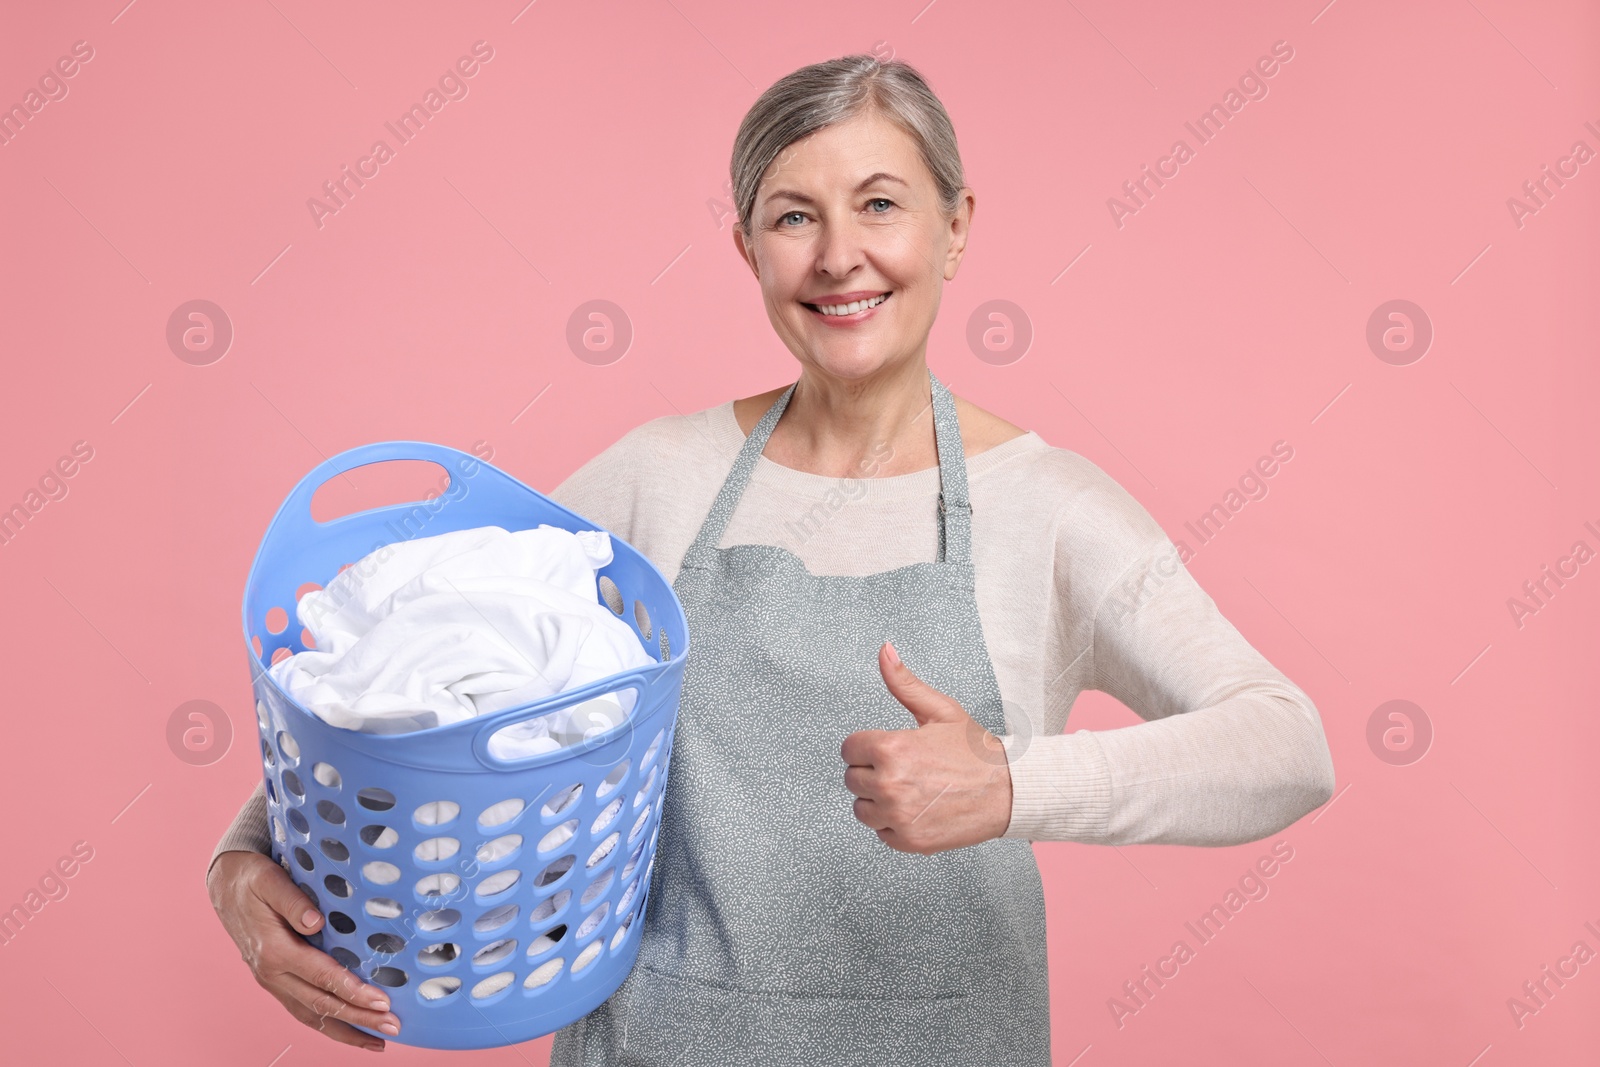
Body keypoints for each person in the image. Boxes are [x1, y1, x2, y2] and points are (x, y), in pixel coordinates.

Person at [207, 53, 1335, 1063]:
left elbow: (1285, 743)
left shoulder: (1048, 508)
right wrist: (244, 858)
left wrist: (1013, 784)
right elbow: (420, 677)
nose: (839, 256)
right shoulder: (657, 477)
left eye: (880, 204)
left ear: (955, 225)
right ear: (746, 247)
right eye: (793, 216)